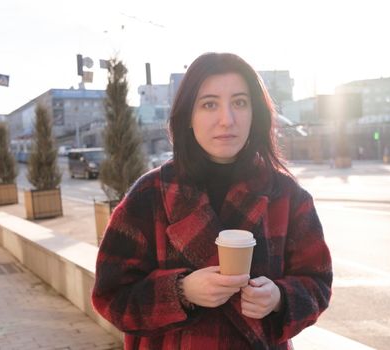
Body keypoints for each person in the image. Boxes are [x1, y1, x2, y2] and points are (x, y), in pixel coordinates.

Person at [92, 52, 332, 349]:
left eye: (240, 103)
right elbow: (111, 296)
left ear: (255, 113)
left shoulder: (287, 196)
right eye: (209, 104)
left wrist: (280, 298)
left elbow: (318, 283)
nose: (226, 119)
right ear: (188, 117)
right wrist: (181, 291)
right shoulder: (149, 194)